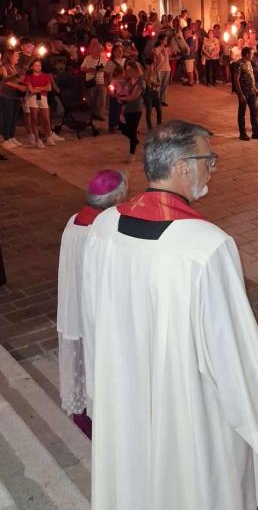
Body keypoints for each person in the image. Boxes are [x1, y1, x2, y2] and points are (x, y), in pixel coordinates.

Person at [81, 121, 258, 510]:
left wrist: (102, 393)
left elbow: (92, 320)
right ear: (180, 167)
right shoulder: (207, 246)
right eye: (207, 160)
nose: (211, 168)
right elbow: (229, 347)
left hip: (124, 394)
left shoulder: (103, 228)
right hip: (187, 406)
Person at [57, 169, 128, 437]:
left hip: (74, 299)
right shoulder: (104, 231)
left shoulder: (74, 221)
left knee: (84, 358)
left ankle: (83, 408)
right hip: (97, 307)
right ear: (117, 196)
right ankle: (99, 413)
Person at [233, 46, 258, 141]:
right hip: (244, 91)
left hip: (251, 91)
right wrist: (240, 94)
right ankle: (242, 133)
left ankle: (255, 132)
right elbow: (236, 80)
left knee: (254, 111)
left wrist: (255, 89)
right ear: (246, 54)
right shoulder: (238, 64)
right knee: (242, 112)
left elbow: (252, 77)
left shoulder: (249, 63)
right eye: (251, 54)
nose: (252, 56)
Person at [117, 60, 145, 162]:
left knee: (132, 131)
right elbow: (124, 91)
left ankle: (132, 153)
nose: (127, 71)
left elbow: (133, 96)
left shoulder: (141, 82)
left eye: (128, 69)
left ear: (134, 70)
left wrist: (121, 97)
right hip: (127, 108)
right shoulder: (129, 80)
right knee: (123, 129)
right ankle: (135, 141)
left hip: (136, 109)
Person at [0, 48, 26, 151]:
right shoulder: (3, 67)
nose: (18, 57)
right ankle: (6, 139)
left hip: (15, 96)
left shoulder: (16, 67)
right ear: (10, 57)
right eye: (16, 55)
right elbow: (5, 80)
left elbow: (18, 79)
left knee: (14, 118)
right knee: (8, 118)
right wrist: (18, 86)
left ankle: (11, 137)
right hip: (6, 95)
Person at [24, 57, 54, 148]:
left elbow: (49, 88)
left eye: (39, 66)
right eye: (36, 66)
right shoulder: (29, 77)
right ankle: (37, 140)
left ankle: (49, 137)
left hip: (43, 98)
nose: (38, 67)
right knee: (34, 119)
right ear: (32, 67)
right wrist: (40, 88)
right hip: (33, 98)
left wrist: (38, 88)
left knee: (46, 119)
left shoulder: (45, 76)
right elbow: (31, 90)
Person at [80, 37, 106, 121]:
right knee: (91, 99)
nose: (97, 51)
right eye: (95, 49)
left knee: (101, 100)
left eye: (99, 49)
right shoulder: (87, 58)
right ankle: (92, 114)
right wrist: (89, 70)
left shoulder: (103, 59)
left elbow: (108, 69)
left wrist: (101, 69)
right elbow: (82, 68)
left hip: (101, 82)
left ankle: (99, 114)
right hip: (91, 81)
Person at [143, 58, 162, 131]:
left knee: (159, 110)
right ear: (146, 66)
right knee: (149, 110)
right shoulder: (144, 74)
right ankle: (149, 127)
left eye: (152, 65)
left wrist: (155, 84)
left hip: (155, 92)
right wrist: (149, 74)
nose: (151, 67)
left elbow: (159, 83)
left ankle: (159, 126)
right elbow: (147, 84)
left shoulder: (156, 72)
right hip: (148, 93)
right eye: (149, 65)